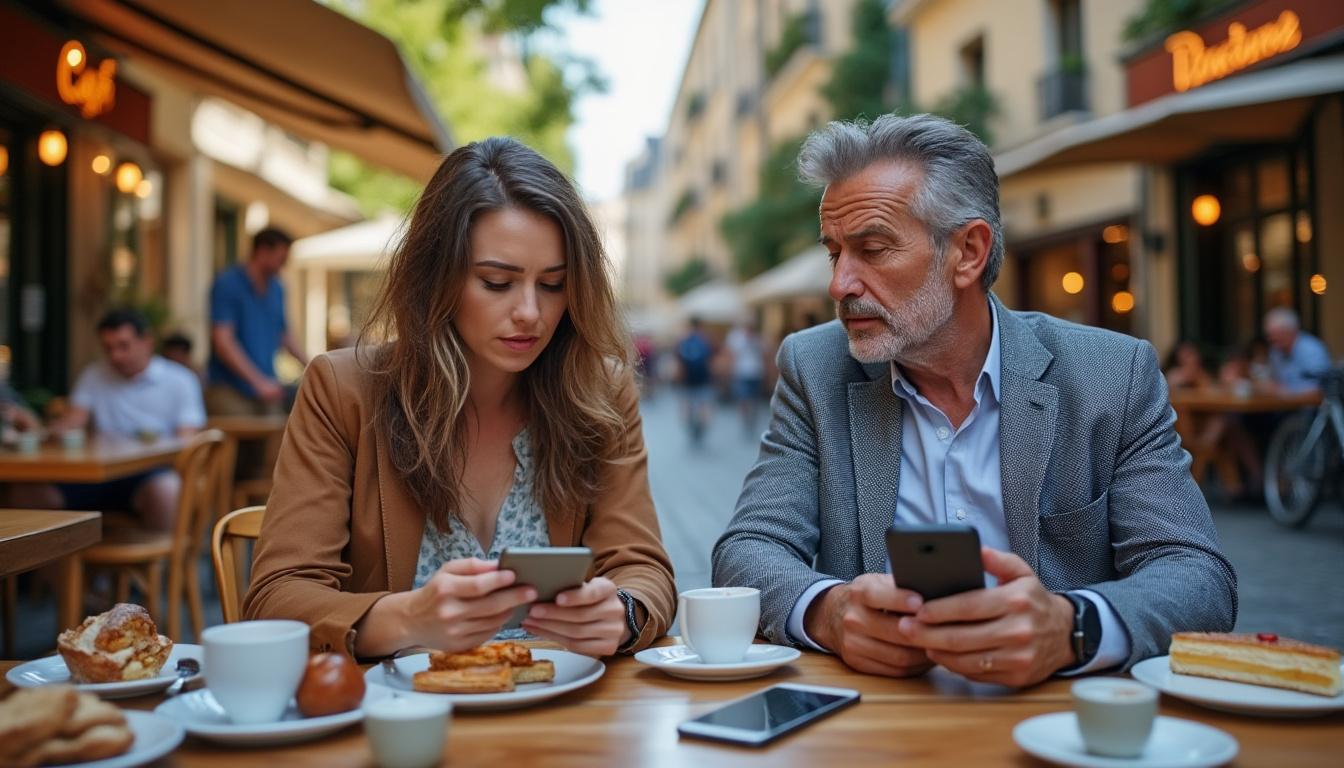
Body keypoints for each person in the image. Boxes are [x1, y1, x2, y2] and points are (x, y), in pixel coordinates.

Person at [712, 113, 1235, 688]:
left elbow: (1197, 576)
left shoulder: (1111, 375)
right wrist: (829, 612)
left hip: (1059, 715)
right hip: (885, 720)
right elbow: (749, 548)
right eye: (836, 253)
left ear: (968, 252)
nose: (840, 285)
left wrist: (1070, 627)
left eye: (873, 249)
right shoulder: (815, 368)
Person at [244, 138, 676, 659]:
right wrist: (407, 619)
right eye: (497, 282)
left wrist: (622, 613)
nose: (530, 313)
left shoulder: (599, 391)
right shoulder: (343, 391)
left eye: (554, 284)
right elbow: (276, 598)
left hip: (561, 713)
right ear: (435, 278)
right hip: (397, 720)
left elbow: (644, 568)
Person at [33, 309, 204, 530]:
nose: (115, 356)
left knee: (167, 489)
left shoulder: (180, 380)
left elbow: (186, 439)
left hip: (150, 473)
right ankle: (56, 564)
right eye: (108, 348)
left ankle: (165, 563)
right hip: (96, 476)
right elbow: (72, 421)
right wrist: (40, 429)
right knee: (29, 493)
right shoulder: (94, 375)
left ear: (147, 342)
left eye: (124, 346)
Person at [206, 227, 308, 416]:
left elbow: (284, 336)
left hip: (266, 388)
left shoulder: (277, 288)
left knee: (283, 433)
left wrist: (313, 366)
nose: (284, 266)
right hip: (229, 388)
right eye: (281, 259)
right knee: (253, 430)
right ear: (262, 251)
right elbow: (223, 341)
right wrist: (258, 382)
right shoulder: (228, 284)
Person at [1262, 307, 1331, 395]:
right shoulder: (1276, 350)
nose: (1272, 340)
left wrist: (1283, 391)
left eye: (1277, 335)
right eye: (1270, 336)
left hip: (1311, 407)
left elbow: (1319, 387)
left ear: (1291, 331)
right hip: (1285, 406)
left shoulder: (1310, 349)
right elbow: (1275, 380)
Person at [675, 317, 714, 445]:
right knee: (704, 407)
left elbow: (679, 363)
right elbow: (710, 361)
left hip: (687, 381)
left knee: (687, 408)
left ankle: (691, 428)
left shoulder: (683, 341)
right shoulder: (705, 341)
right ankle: (700, 429)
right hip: (703, 380)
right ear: (701, 326)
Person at [725, 319, 766, 434]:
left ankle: (752, 419)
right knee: (743, 398)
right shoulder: (737, 338)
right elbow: (731, 355)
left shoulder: (759, 339)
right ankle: (745, 419)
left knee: (755, 399)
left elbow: (764, 355)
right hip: (742, 373)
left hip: (756, 373)